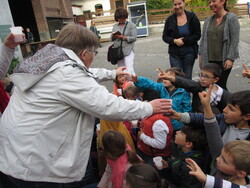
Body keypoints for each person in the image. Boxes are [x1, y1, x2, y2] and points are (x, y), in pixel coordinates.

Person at [0, 23, 172, 187]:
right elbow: (109, 106)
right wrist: (149, 107)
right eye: (95, 53)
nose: (94, 57)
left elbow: (80, 71)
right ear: (84, 53)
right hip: (35, 169)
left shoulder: (48, 59)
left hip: (12, 154)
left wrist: (112, 73)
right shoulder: (68, 75)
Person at [185, 86, 250, 187]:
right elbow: (211, 127)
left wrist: (207, 180)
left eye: (231, 109)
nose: (217, 159)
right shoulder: (225, 121)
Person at [165, 90, 250, 143]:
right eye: (227, 106)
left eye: (231, 109)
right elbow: (202, 119)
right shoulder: (223, 120)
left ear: (246, 116)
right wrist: (179, 116)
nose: (224, 110)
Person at [199, 0, 240, 90]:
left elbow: (234, 40)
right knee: (211, 86)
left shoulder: (231, 18)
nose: (211, 4)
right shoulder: (208, 20)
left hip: (224, 60)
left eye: (214, 1)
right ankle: (217, 103)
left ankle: (228, 102)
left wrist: (230, 58)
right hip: (209, 60)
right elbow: (203, 40)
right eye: (209, 2)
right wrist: (201, 57)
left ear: (223, 1)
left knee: (220, 86)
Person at [158, 63, 230, 114]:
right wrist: (169, 78)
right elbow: (185, 82)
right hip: (197, 119)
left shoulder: (224, 95)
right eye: (201, 75)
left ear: (216, 79)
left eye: (206, 76)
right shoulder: (198, 87)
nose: (202, 78)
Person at [162, 0, 201, 79]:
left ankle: (187, 91)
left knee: (187, 78)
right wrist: (174, 41)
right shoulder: (170, 19)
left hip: (189, 53)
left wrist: (184, 41)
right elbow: (165, 37)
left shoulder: (192, 17)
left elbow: (197, 35)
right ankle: (178, 91)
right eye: (175, 4)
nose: (177, 6)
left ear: (184, 3)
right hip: (174, 54)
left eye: (179, 4)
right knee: (176, 78)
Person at [137, 89, 173, 166]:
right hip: (145, 150)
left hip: (154, 156)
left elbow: (160, 144)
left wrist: (142, 136)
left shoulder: (159, 122)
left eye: (141, 98)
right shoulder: (150, 113)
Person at [111, 7, 137, 75]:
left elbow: (134, 38)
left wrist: (124, 37)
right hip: (118, 51)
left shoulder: (131, 25)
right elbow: (111, 39)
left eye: (121, 18)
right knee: (121, 70)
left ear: (125, 17)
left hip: (128, 50)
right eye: (118, 18)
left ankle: (133, 84)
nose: (120, 20)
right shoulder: (115, 26)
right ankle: (124, 84)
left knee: (129, 69)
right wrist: (113, 36)